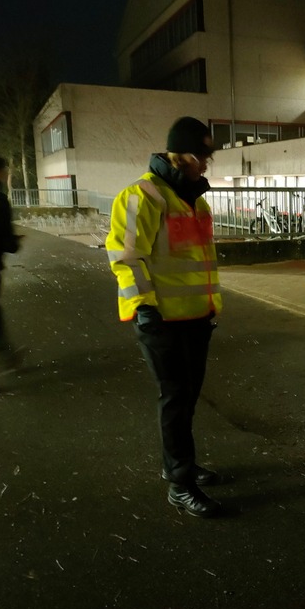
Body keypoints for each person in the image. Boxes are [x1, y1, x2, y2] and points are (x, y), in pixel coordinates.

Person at [106, 118, 223, 518]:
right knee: (174, 399)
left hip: (195, 318)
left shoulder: (196, 200)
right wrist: (145, 308)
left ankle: (182, 465)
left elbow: (200, 262)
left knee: (187, 398)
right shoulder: (142, 195)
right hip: (161, 320)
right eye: (201, 156)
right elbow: (126, 258)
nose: (206, 164)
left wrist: (210, 308)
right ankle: (180, 485)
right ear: (179, 154)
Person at [0, 156, 23, 376]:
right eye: (4, 171)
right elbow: (7, 242)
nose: (6, 175)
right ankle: (6, 356)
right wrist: (15, 242)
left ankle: (7, 356)